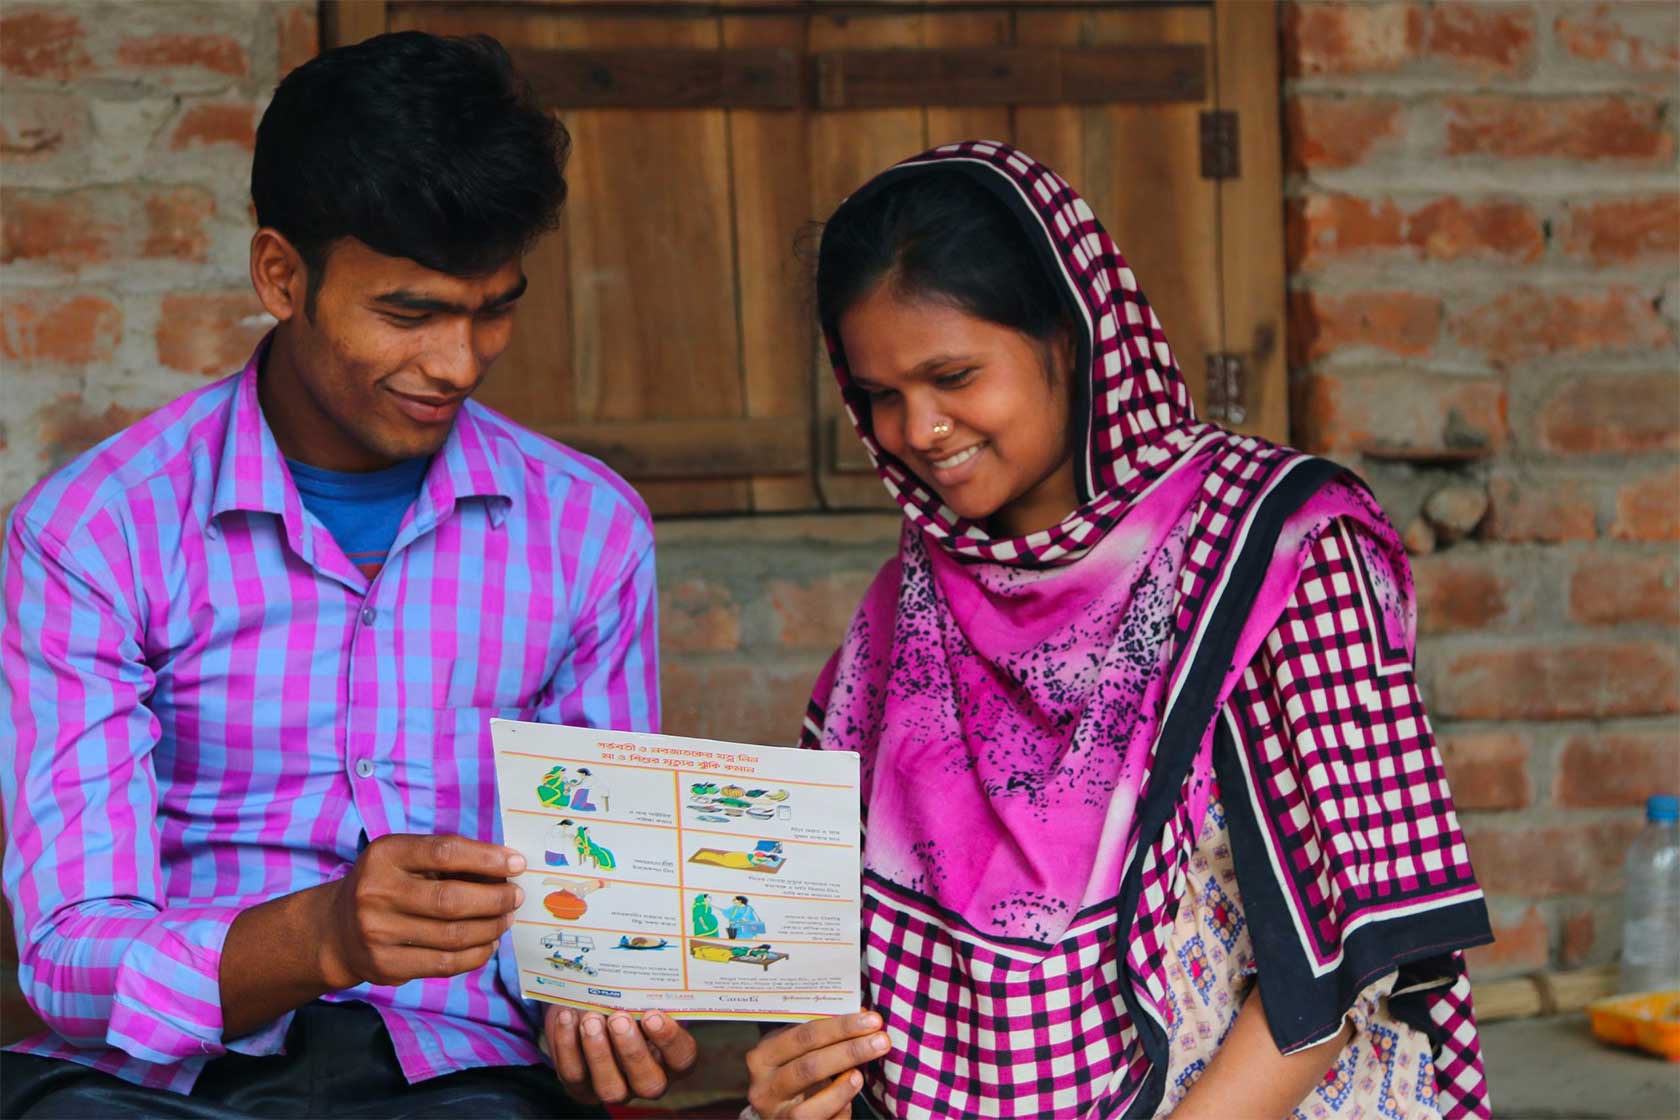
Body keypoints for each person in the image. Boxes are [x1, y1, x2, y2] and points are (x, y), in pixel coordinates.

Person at [0, 31, 691, 1117]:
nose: (458, 363)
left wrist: (598, 997)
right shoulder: (94, 531)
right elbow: (68, 952)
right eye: (409, 313)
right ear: (282, 275)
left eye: (493, 307)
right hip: (164, 1084)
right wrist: (320, 935)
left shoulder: (589, 531)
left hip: (461, 1075)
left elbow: (594, 905)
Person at [743, 143, 1494, 1120]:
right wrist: (798, 1079)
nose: (917, 429)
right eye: (880, 394)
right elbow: (819, 933)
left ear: (1070, 335)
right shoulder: (909, 602)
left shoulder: (1272, 549)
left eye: (953, 374)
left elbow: (1340, 958)